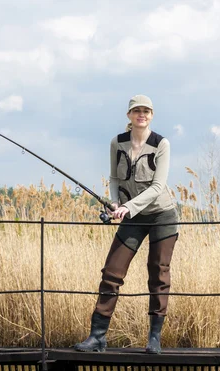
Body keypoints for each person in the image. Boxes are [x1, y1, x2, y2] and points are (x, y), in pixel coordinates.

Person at [74, 94, 179, 354]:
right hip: (131, 217)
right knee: (111, 272)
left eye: (146, 111)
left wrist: (126, 207)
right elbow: (113, 178)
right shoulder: (117, 143)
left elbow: (157, 187)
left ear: (151, 115)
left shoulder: (161, 144)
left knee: (158, 273)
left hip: (161, 215)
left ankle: (154, 338)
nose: (141, 114)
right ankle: (97, 337)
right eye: (136, 111)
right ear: (129, 116)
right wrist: (113, 204)